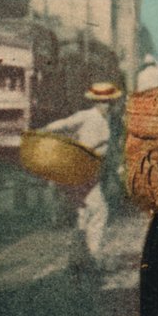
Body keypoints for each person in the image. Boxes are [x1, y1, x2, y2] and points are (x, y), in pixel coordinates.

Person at [43, 82, 122, 270]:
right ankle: (92, 257)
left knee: (84, 213)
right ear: (95, 102)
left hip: (94, 170)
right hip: (81, 168)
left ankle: (78, 259)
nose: (106, 106)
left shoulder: (108, 120)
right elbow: (62, 124)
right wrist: (44, 132)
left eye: (109, 102)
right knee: (99, 210)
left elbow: (108, 149)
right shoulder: (86, 116)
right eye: (102, 102)